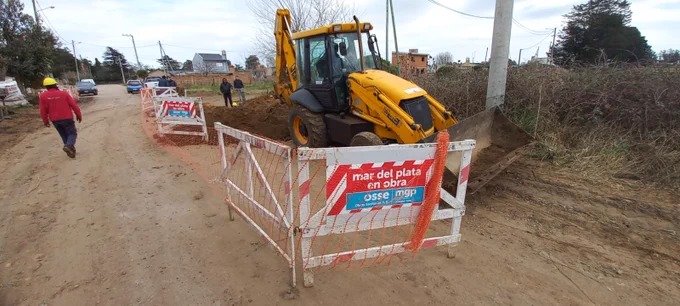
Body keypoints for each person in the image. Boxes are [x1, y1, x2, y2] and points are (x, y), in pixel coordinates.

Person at [39, 77, 82, 159]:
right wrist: (78, 115)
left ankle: (71, 150)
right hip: (67, 118)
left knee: (63, 134)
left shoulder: (43, 96)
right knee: (72, 133)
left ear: (46, 86)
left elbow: (42, 110)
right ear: (55, 85)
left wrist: (45, 121)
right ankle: (69, 146)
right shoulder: (64, 94)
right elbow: (74, 105)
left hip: (55, 120)